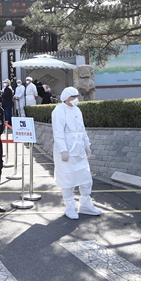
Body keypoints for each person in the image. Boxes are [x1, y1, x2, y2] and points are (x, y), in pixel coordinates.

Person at [52, 86, 102, 220]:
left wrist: (87, 145)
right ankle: (70, 206)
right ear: (66, 98)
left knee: (85, 178)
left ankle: (85, 204)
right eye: (73, 97)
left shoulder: (77, 110)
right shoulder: (59, 111)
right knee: (67, 179)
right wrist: (63, 150)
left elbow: (82, 129)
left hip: (79, 150)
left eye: (76, 97)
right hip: (67, 151)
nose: (75, 99)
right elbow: (58, 132)